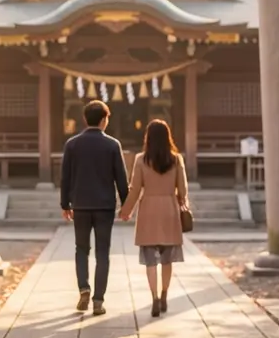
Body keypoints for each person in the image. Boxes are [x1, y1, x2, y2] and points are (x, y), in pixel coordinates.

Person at [60, 100, 129, 316]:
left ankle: (84, 288)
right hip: (104, 206)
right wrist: (126, 205)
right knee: (102, 253)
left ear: (85, 119)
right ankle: (98, 300)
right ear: (104, 119)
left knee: (81, 249)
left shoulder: (72, 144)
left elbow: (65, 177)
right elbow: (121, 179)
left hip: (80, 204)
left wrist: (65, 203)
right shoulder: (112, 145)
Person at [120, 119, 189, 318]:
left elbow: (135, 189)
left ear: (148, 137)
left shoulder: (141, 159)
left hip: (148, 210)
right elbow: (183, 189)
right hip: (169, 209)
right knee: (167, 259)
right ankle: (165, 294)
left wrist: (126, 210)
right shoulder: (176, 159)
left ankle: (155, 298)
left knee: (150, 260)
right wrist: (182, 202)